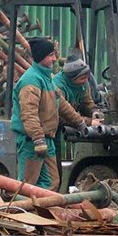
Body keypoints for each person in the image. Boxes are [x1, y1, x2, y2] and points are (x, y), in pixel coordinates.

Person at [10, 38, 90, 191]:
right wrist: (38, 139)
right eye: (51, 55)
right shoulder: (31, 80)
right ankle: (21, 212)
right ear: (40, 56)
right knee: (28, 185)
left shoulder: (47, 79)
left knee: (52, 183)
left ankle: (42, 213)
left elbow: (62, 106)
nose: (55, 59)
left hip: (47, 139)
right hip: (32, 141)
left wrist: (80, 123)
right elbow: (29, 114)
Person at [53, 55, 104, 122]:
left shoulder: (83, 83)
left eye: (86, 77)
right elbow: (60, 116)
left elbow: (87, 102)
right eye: (82, 78)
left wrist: (94, 111)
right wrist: (88, 122)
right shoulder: (58, 86)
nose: (85, 81)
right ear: (71, 78)